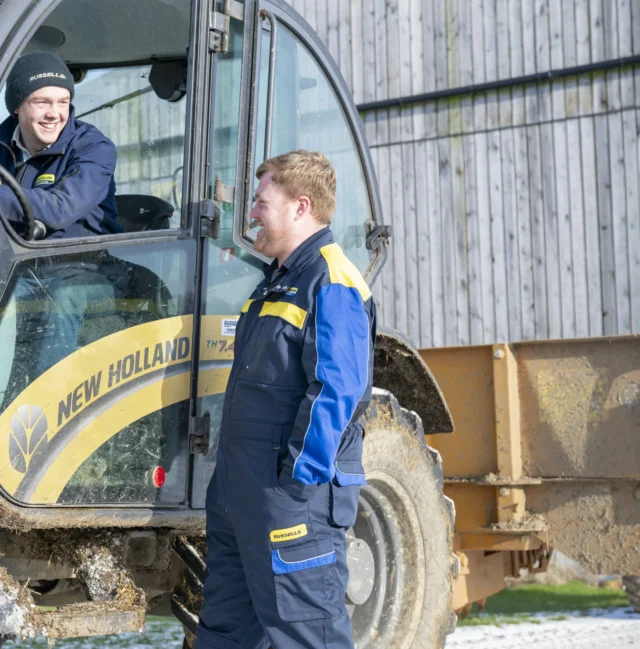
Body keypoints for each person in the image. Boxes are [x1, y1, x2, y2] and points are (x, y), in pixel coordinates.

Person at [196, 150, 377, 649]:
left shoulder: (331, 281)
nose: (251, 211)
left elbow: (337, 392)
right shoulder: (273, 283)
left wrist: (296, 482)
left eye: (261, 200)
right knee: (225, 634)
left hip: (289, 501)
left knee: (307, 634)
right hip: (240, 495)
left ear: (300, 206)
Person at [0, 51, 121, 378]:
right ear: (17, 106)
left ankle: (44, 410)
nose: (55, 113)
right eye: (42, 102)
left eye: (63, 102)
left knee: (65, 297)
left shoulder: (93, 148)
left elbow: (61, 208)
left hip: (83, 267)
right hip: (19, 264)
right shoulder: (1, 144)